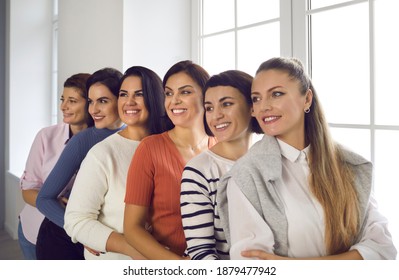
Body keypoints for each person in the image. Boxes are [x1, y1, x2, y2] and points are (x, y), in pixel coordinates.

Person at [217, 57, 397, 260]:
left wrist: (294, 266)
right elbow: (254, 266)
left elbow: (383, 250)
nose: (263, 107)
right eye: (256, 98)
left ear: (307, 99)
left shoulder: (350, 166)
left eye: (276, 94)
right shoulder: (246, 176)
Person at [64, 66, 172, 260]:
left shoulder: (171, 146)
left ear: (155, 97)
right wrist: (131, 248)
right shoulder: (103, 154)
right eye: (123, 94)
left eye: (139, 94)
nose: (129, 102)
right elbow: (76, 220)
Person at [124, 60, 215, 260]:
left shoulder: (221, 146)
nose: (174, 101)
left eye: (185, 92)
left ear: (206, 96)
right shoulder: (150, 149)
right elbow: (132, 228)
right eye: (168, 93)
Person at [36, 67, 125, 260]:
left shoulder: (137, 135)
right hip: (62, 240)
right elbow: (43, 199)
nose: (93, 109)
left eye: (103, 101)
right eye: (92, 102)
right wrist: (82, 233)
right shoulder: (82, 141)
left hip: (107, 242)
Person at [180, 70, 262, 260]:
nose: (215, 116)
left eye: (226, 104)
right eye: (209, 108)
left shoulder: (270, 158)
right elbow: (201, 253)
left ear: (252, 107)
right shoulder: (198, 171)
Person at [18, 73, 92, 260]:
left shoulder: (103, 141)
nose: (63, 107)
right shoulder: (46, 136)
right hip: (35, 231)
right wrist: (53, 203)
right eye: (62, 99)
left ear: (90, 103)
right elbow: (27, 191)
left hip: (82, 236)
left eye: (72, 101)